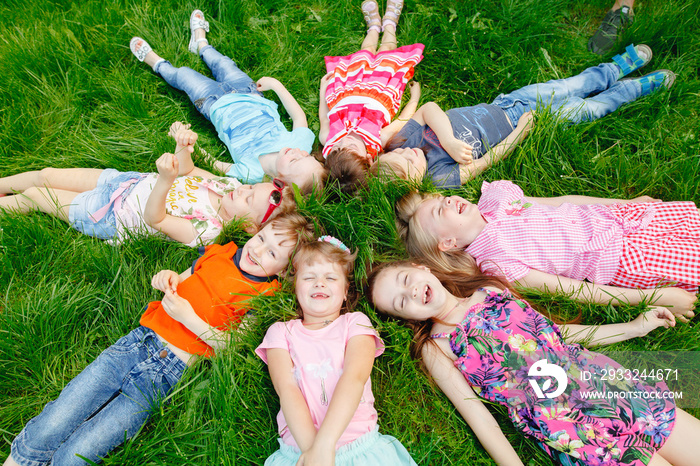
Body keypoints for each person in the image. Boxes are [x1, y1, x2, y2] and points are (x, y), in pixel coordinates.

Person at [2, 213, 316, 466]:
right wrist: (168, 277)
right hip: (136, 344)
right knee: (66, 408)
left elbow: (229, 347)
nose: (258, 250)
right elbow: (182, 278)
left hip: (166, 374)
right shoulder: (223, 252)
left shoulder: (263, 296)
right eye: (261, 238)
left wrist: (187, 317)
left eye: (272, 252)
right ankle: (20, 459)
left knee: (86, 447)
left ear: (286, 272)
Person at [368, 261, 700, 466]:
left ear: (421, 268)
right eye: (401, 302)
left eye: (403, 278)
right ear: (409, 318)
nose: (410, 292)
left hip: (611, 387)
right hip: (574, 431)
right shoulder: (437, 348)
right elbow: (480, 419)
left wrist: (632, 328)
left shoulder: (490, 290)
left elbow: (558, 336)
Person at [373, 44, 674, 188]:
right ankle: (631, 90)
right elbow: (486, 162)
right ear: (413, 183)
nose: (409, 152)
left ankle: (614, 69)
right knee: (586, 110)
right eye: (409, 161)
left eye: (399, 153)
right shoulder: (439, 178)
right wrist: (520, 132)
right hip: (522, 122)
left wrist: (449, 141)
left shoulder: (405, 140)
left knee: (570, 85)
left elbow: (429, 109)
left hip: (508, 103)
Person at [395, 180, 700, 320]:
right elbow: (576, 291)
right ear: (447, 244)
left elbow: (566, 202)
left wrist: (625, 206)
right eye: (438, 212)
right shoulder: (496, 262)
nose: (447, 200)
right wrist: (659, 297)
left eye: (441, 198)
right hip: (627, 257)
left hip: (628, 221)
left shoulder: (496, 200)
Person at [0, 122, 295, 246]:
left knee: (35, 196)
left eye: (247, 199)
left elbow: (155, 219)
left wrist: (165, 180)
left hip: (111, 216)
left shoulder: (208, 230)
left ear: (248, 227)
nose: (242, 189)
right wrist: (183, 145)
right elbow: (188, 171)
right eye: (251, 187)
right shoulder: (226, 185)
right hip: (123, 182)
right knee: (46, 175)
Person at [255, 238, 416, 465]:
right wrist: (314, 452)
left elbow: (355, 377)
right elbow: (286, 388)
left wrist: (325, 445)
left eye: (330, 278)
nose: (319, 283)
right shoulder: (280, 332)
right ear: (295, 288)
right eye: (309, 277)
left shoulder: (355, 323)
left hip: (359, 446)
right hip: (301, 453)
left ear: (344, 292)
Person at [130, 10, 327, 193]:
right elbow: (298, 117)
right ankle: (200, 43)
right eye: (307, 156)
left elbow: (216, 164)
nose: (299, 153)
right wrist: (276, 85)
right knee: (222, 62)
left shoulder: (252, 173)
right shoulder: (301, 143)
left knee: (183, 75)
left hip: (213, 103)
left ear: (278, 182)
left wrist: (188, 143)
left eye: (294, 161)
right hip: (249, 92)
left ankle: (157, 63)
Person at [319, 0, 424, 194]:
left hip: (350, 86)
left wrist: (322, 90)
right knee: (386, 53)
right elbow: (402, 121)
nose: (343, 142)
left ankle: (373, 28)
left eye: (337, 149)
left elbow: (323, 116)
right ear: (368, 158)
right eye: (350, 148)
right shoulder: (376, 140)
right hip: (380, 87)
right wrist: (414, 99)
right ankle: (390, 23)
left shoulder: (329, 140)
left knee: (364, 53)